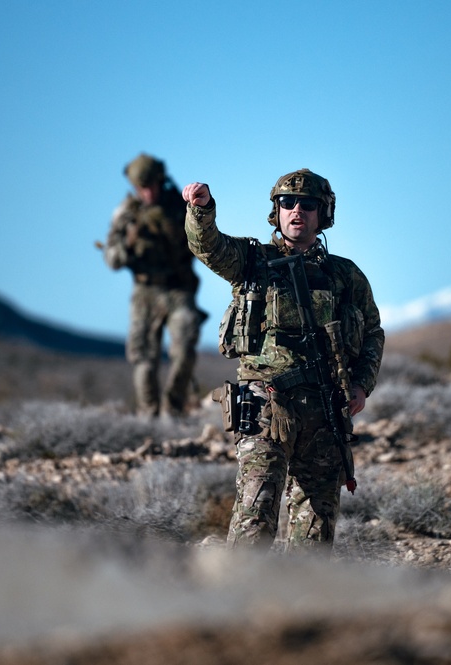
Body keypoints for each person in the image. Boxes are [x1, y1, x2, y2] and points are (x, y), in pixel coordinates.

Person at [181, 169, 384, 553]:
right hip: (266, 407)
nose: (297, 211)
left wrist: (361, 384)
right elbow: (208, 246)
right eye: (287, 203)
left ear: (323, 213)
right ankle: (236, 601)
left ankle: (296, 606)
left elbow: (373, 333)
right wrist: (202, 209)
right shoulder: (253, 260)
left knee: (316, 526)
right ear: (276, 211)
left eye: (308, 205)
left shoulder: (345, 275)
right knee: (256, 512)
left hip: (325, 412)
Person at [103, 153, 204, 417]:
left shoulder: (178, 207)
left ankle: (173, 409)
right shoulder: (126, 213)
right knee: (144, 360)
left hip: (177, 289)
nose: (147, 193)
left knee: (184, 349)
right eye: (141, 188)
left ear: (160, 181)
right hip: (145, 292)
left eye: (150, 186)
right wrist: (128, 243)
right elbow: (112, 259)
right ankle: (148, 417)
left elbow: (203, 242)